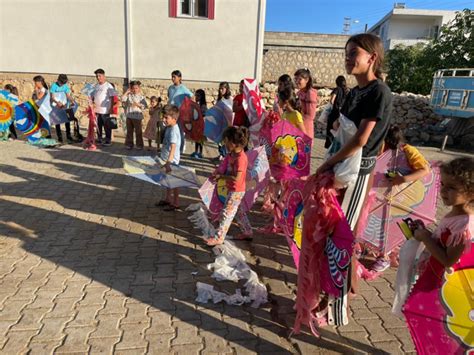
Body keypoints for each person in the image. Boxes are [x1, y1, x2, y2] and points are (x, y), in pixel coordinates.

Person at [400, 157, 474, 354]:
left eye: (451, 188)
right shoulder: (454, 214)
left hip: (442, 283)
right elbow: (442, 240)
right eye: (443, 184)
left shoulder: (464, 225)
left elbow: (449, 260)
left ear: (471, 193)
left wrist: (425, 238)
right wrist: (426, 232)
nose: (443, 190)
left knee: (438, 321)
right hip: (432, 273)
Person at [370, 125, 431, 272]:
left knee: (391, 225)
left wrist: (403, 179)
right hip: (381, 194)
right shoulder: (381, 149)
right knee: (378, 223)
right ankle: (390, 254)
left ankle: (384, 256)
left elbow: (425, 169)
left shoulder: (408, 151)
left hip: (400, 197)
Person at [205, 126, 253, 246]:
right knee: (239, 212)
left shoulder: (241, 159)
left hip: (236, 190)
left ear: (233, 143)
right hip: (233, 189)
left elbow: (237, 178)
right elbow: (223, 166)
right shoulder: (231, 154)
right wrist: (217, 173)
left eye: (226, 141)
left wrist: (222, 177)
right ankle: (247, 232)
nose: (224, 144)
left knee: (227, 213)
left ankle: (219, 237)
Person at [155, 104, 181, 212]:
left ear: (174, 119)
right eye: (164, 117)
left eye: (166, 118)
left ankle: (176, 203)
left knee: (174, 182)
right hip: (166, 160)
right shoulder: (169, 127)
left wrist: (169, 162)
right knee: (168, 181)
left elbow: (173, 147)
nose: (164, 119)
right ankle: (168, 199)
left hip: (172, 162)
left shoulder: (174, 130)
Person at [168, 70, 192, 154]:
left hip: (180, 113)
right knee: (171, 129)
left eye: (174, 77)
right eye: (172, 77)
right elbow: (170, 99)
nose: (173, 78)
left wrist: (186, 107)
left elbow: (191, 97)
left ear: (180, 78)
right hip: (171, 112)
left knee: (180, 131)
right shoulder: (170, 88)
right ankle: (171, 147)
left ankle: (181, 148)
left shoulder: (183, 88)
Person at [91, 68, 116, 146]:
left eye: (100, 76)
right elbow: (93, 96)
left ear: (104, 76)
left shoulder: (109, 86)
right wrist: (92, 102)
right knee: (98, 125)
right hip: (97, 110)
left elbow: (112, 97)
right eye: (97, 76)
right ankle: (100, 138)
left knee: (107, 126)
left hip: (105, 110)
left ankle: (108, 140)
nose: (98, 77)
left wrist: (111, 108)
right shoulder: (96, 86)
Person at [50, 74, 77, 143]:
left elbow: (68, 95)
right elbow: (52, 97)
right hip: (56, 105)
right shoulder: (54, 86)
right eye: (61, 83)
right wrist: (57, 102)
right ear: (58, 80)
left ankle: (68, 136)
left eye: (63, 83)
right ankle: (60, 137)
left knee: (67, 120)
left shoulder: (65, 86)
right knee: (57, 121)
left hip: (64, 105)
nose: (62, 85)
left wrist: (72, 101)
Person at [122, 80, 147, 150]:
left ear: (139, 88)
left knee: (138, 132)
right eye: (133, 88)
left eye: (136, 88)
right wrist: (127, 92)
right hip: (129, 116)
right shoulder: (129, 96)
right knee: (129, 131)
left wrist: (137, 104)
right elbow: (123, 99)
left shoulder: (141, 97)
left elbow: (144, 106)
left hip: (137, 116)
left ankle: (139, 145)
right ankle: (129, 144)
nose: (135, 90)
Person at [325, 75, 349, 148]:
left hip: (334, 113)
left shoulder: (337, 89)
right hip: (341, 114)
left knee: (330, 131)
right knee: (338, 132)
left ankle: (329, 148)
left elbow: (332, 100)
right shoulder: (347, 91)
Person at [295, 68, 318, 139]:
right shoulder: (300, 92)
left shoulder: (310, 94)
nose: (297, 81)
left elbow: (310, 116)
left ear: (307, 80)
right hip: (298, 127)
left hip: (305, 128)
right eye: (295, 79)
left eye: (299, 79)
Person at [191, 89, 207, 159]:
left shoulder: (203, 105)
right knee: (196, 139)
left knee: (200, 140)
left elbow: (203, 114)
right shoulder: (197, 104)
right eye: (196, 95)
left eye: (198, 96)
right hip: (197, 124)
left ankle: (200, 152)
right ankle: (196, 151)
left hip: (201, 124)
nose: (196, 97)